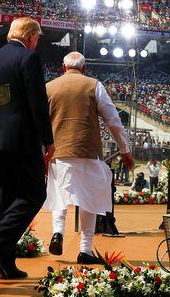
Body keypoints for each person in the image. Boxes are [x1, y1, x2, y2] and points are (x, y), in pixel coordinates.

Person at [0, 17, 54, 281]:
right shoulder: (28, 59)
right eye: (38, 37)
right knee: (33, 194)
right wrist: (48, 140)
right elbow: (37, 103)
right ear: (30, 36)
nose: (37, 42)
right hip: (20, 139)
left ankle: (5, 265)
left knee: (7, 200)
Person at [43, 52, 134, 264]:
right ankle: (85, 249)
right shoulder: (94, 85)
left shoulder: (49, 87)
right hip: (88, 151)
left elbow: (41, 125)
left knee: (60, 194)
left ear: (63, 67)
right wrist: (125, 150)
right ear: (84, 69)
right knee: (89, 200)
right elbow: (113, 120)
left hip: (59, 151)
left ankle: (58, 232)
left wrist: (42, 155)